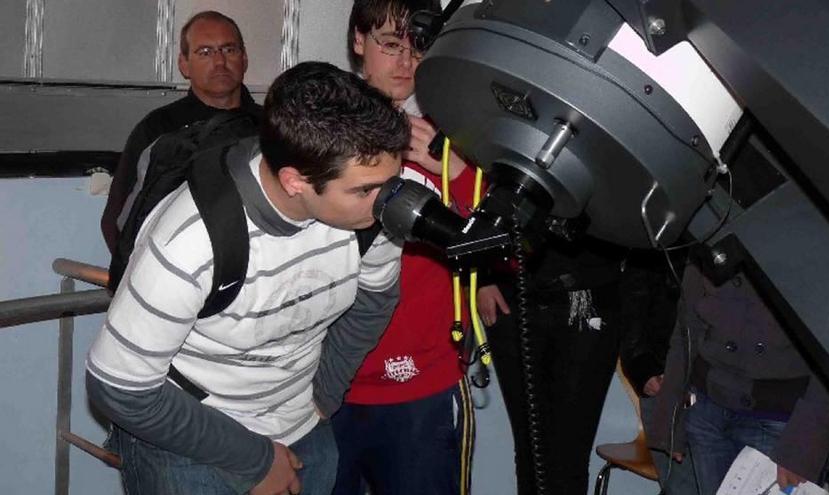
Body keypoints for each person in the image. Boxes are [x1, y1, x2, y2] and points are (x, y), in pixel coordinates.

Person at [86, 62, 411, 495]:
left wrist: (323, 397)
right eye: (365, 190)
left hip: (302, 424)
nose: (387, 200)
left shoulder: (375, 208)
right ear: (295, 181)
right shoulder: (193, 237)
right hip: (190, 441)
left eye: (391, 182)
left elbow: (374, 300)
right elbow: (119, 388)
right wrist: (255, 459)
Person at [330, 1, 477, 494]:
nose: (405, 62)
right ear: (358, 42)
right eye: (390, 45)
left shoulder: (456, 131)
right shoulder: (321, 127)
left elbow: (504, 248)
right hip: (321, 381)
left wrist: (453, 171)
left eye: (417, 48)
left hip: (419, 380)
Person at [648, 256, 829, 495]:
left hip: (782, 421)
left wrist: (804, 442)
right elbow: (687, 330)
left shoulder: (808, 235)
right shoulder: (712, 225)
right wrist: (669, 416)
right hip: (708, 411)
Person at [100, 10, 262, 253]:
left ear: (245, 60)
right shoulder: (159, 129)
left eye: (229, 50)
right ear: (184, 65)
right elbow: (116, 222)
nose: (220, 62)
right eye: (205, 52)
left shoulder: (273, 126)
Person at [477, 235, 624, 495]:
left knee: (570, 450)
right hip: (512, 292)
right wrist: (481, 278)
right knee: (529, 447)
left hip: (590, 293)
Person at [618, 249, 698, 494]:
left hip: (725, 385)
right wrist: (643, 369)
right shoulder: (651, 233)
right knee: (680, 486)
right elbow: (631, 306)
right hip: (662, 379)